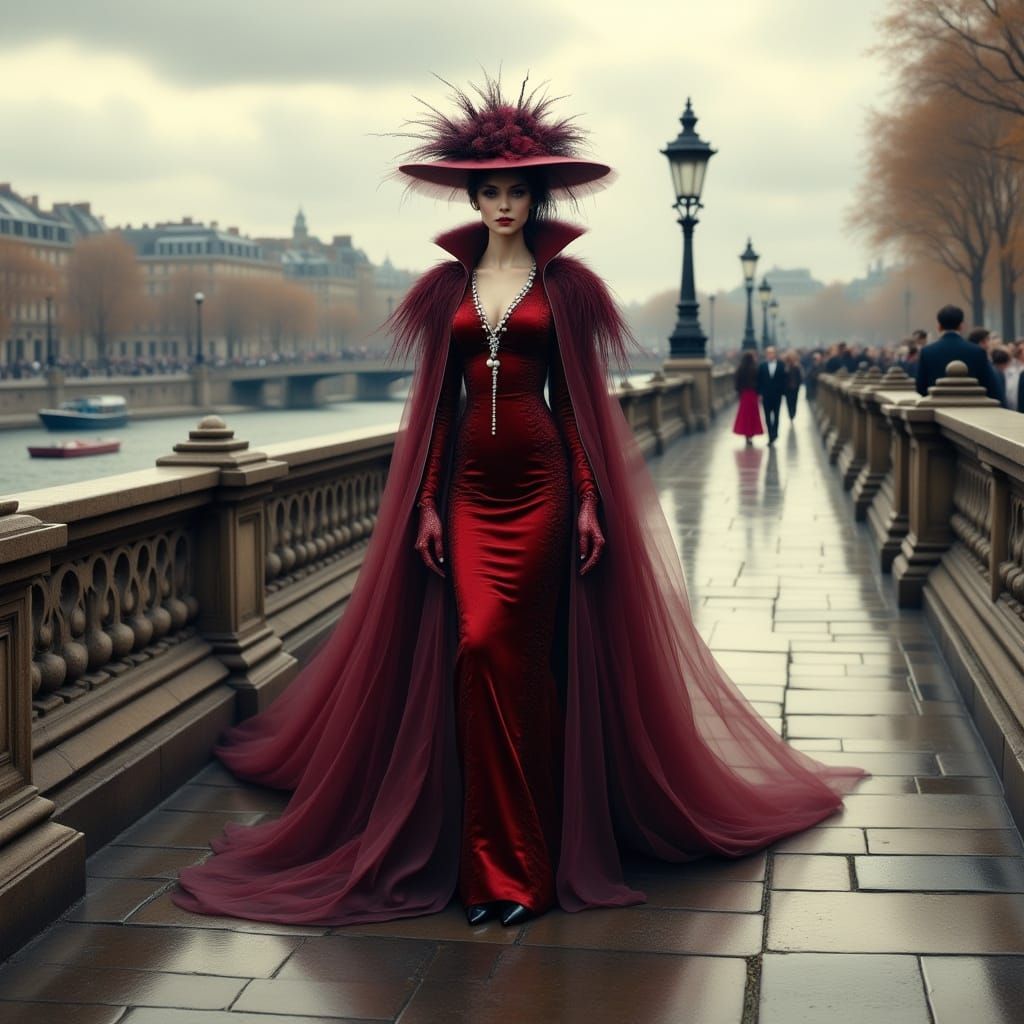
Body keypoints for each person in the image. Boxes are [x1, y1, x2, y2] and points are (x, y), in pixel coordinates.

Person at [170, 73, 864, 931]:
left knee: (510, 654)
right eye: (489, 190)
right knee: (473, 652)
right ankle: (486, 856)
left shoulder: (569, 289)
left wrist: (586, 499)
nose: (502, 203)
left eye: (516, 191)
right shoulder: (440, 290)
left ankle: (517, 870)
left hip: (540, 487)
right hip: (466, 488)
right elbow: (434, 410)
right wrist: (424, 503)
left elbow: (574, 400)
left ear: (536, 197)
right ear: (476, 195)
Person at [916, 305, 1003, 400]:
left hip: (938, 407)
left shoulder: (927, 352)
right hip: (971, 408)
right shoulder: (977, 351)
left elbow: (921, 387)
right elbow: (989, 386)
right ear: (961, 326)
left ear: (939, 326)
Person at [732, 351, 764, 445]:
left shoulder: (740, 369)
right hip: (753, 393)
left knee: (744, 414)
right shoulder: (755, 368)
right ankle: (751, 434)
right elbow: (759, 381)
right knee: (753, 414)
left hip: (744, 394)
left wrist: (740, 391)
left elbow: (736, 382)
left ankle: (746, 434)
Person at [757, 345, 786, 445]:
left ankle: (775, 433)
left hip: (777, 395)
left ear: (775, 354)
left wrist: (783, 393)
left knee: (777, 415)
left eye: (772, 353)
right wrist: (760, 393)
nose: (770, 355)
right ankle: (770, 436)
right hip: (766, 395)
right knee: (767, 417)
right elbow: (759, 381)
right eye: (768, 353)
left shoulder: (781, 365)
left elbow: (783, 380)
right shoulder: (762, 366)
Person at [783, 349, 803, 421]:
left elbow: (800, 376)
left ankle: (793, 412)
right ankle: (790, 413)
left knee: (794, 400)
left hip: (795, 387)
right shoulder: (785, 366)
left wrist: (798, 384)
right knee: (788, 401)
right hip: (787, 387)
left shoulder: (797, 366)